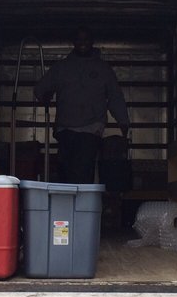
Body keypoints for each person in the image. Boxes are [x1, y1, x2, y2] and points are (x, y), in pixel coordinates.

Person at [34, 27, 130, 184]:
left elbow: (115, 96)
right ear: (74, 42)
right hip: (65, 128)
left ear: (92, 42)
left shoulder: (103, 69)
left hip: (91, 128)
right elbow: (40, 89)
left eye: (86, 39)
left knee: (83, 171)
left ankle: (83, 200)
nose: (82, 43)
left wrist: (123, 121)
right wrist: (45, 96)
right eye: (79, 39)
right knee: (65, 172)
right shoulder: (62, 67)